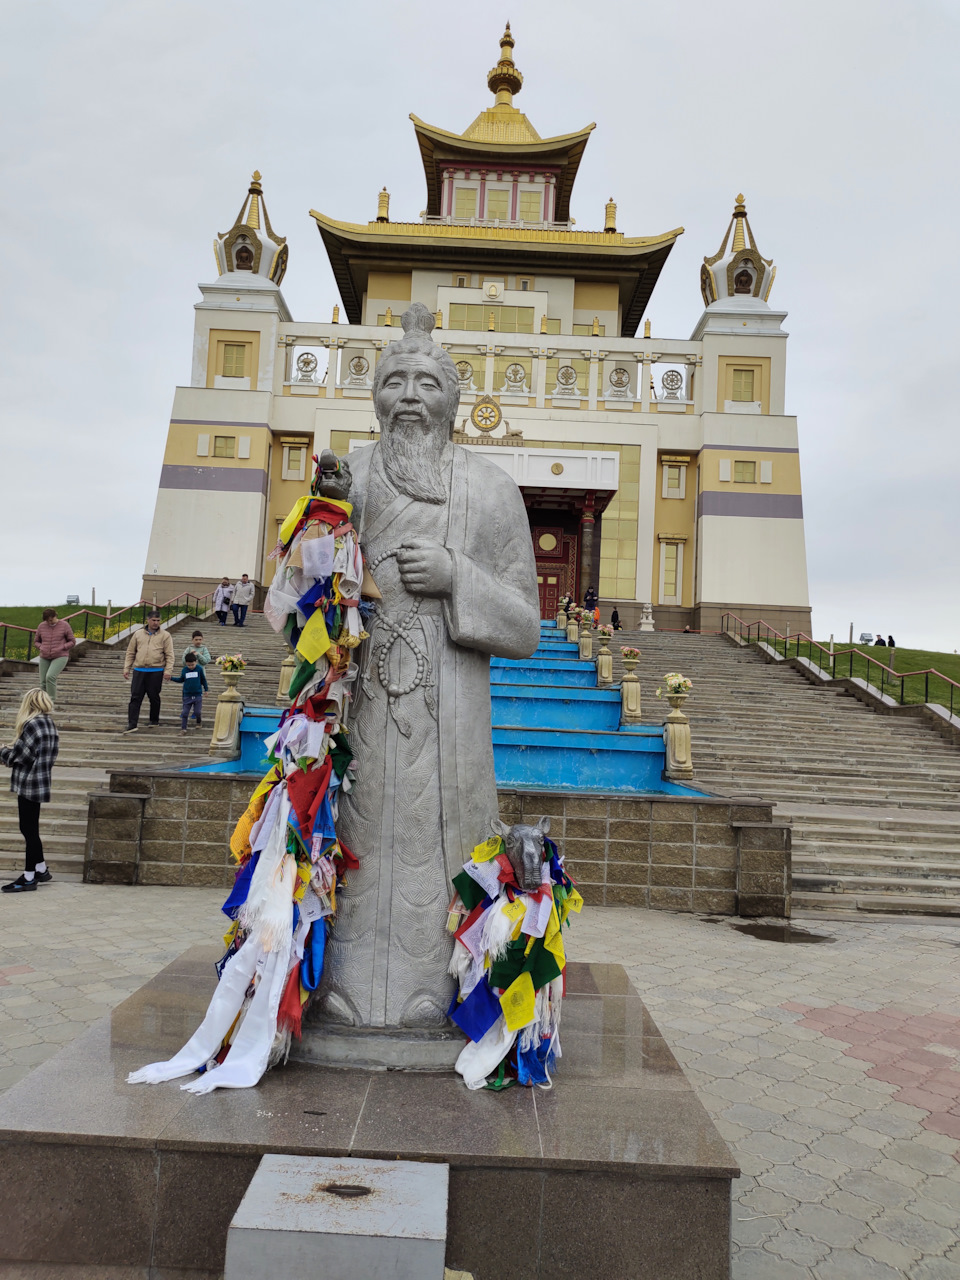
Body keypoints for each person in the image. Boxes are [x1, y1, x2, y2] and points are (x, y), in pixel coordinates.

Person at [317, 303, 540, 1029]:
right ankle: (335, 986)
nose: (410, 395)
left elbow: (527, 626)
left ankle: (447, 996)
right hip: (358, 711)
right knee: (353, 836)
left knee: (436, 849)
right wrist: (323, 540)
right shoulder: (345, 476)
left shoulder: (491, 489)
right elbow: (297, 603)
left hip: (448, 719)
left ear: (454, 399)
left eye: (427, 383)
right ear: (375, 395)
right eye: (395, 381)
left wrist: (456, 575)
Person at [0, 690, 59, 893]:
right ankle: (41, 869)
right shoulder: (49, 723)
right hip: (41, 780)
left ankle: (28, 877)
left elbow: (21, 756)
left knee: (28, 830)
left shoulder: (31, 724)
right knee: (31, 828)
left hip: (29, 782)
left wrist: (3, 751)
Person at [123, 611, 174, 733]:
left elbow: (170, 654)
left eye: (158, 620)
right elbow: (130, 652)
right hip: (139, 670)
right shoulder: (138, 634)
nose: (156, 623)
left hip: (156, 670)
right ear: (148, 620)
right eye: (153, 620)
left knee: (154, 697)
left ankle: (154, 720)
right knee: (135, 697)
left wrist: (168, 670)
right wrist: (126, 668)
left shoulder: (165, 635)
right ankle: (132, 723)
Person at [34, 608, 76, 705]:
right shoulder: (41, 626)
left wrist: (62, 647)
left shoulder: (65, 625)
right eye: (47, 621)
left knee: (50, 676)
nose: (49, 622)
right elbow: (36, 641)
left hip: (60, 656)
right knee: (43, 682)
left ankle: (51, 702)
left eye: (50, 620)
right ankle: (42, 702)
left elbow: (72, 641)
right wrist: (41, 647)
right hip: (45, 656)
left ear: (55, 616)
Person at [172, 651, 208, 734]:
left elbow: (203, 680)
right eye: (189, 665)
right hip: (187, 695)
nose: (191, 667)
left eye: (192, 665)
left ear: (196, 662)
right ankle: (183, 728)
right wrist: (171, 678)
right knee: (185, 712)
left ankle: (198, 721)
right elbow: (181, 679)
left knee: (197, 712)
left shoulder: (199, 669)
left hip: (197, 694)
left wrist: (206, 689)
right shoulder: (184, 670)